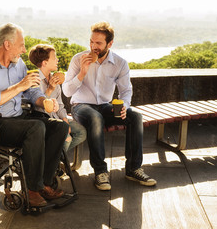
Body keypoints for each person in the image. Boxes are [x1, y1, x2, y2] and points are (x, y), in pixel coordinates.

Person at [0, 23, 69, 206]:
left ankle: (44, 183)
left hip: (19, 117)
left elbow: (31, 92)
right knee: (36, 127)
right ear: (7, 45)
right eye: (21, 45)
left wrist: (43, 101)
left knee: (60, 126)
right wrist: (19, 86)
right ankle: (32, 191)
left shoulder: (19, 65)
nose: (24, 50)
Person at [63, 21, 157, 191]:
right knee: (95, 117)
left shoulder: (120, 63)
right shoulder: (78, 59)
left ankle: (134, 168)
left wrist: (124, 106)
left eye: (98, 43)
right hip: (81, 107)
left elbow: (126, 91)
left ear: (110, 43)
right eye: (91, 42)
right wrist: (82, 72)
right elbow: (67, 91)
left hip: (105, 106)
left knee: (135, 116)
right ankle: (100, 172)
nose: (93, 46)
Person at [28, 44, 87, 153]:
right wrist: (49, 90)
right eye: (54, 57)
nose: (57, 59)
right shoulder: (34, 80)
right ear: (45, 63)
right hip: (43, 120)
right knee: (67, 139)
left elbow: (60, 105)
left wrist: (65, 121)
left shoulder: (55, 78)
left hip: (58, 118)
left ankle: (54, 157)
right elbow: (39, 109)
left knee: (81, 132)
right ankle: (53, 164)